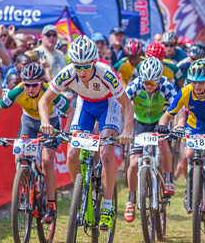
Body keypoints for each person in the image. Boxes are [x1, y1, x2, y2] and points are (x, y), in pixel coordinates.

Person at [38, 36, 134, 230]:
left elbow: (127, 104)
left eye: (86, 66)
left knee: (107, 153)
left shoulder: (106, 74)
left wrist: (127, 130)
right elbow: (44, 101)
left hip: (108, 104)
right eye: (77, 66)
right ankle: (80, 193)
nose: (81, 71)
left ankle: (107, 207)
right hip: (85, 105)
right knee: (72, 154)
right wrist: (45, 123)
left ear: (94, 62)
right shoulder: (68, 73)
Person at [0, 63, 73, 223]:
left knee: (47, 161)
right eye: (27, 84)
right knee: (19, 155)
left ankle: (51, 205)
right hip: (28, 122)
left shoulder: (51, 92)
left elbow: (70, 111)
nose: (30, 88)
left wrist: (64, 133)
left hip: (51, 122)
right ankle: (26, 189)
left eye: (34, 84)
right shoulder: (18, 91)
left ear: (41, 82)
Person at [162, 60, 205, 229]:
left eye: (201, 82)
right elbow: (168, 114)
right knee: (187, 156)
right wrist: (162, 125)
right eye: (194, 81)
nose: (197, 85)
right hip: (193, 129)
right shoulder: (185, 92)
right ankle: (191, 189)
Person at [123, 57, 177, 222]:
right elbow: (123, 104)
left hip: (159, 121)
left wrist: (176, 126)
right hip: (139, 123)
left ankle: (168, 178)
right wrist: (125, 128)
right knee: (133, 163)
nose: (149, 86)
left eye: (153, 82)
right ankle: (131, 200)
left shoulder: (166, 85)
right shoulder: (135, 85)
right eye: (146, 82)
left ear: (160, 78)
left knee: (162, 142)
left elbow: (178, 105)